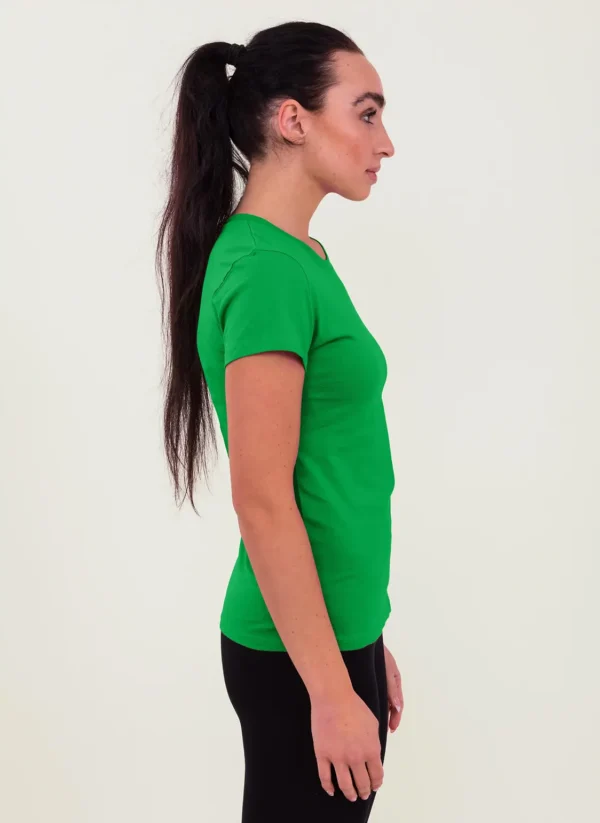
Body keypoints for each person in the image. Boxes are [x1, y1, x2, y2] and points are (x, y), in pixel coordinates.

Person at [155, 20, 404, 822]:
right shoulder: (267, 268)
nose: (386, 142)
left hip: (327, 636)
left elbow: (328, 470)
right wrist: (328, 685)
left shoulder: (300, 257)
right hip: (297, 659)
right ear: (293, 119)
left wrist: (362, 639)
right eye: (367, 112)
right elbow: (262, 498)